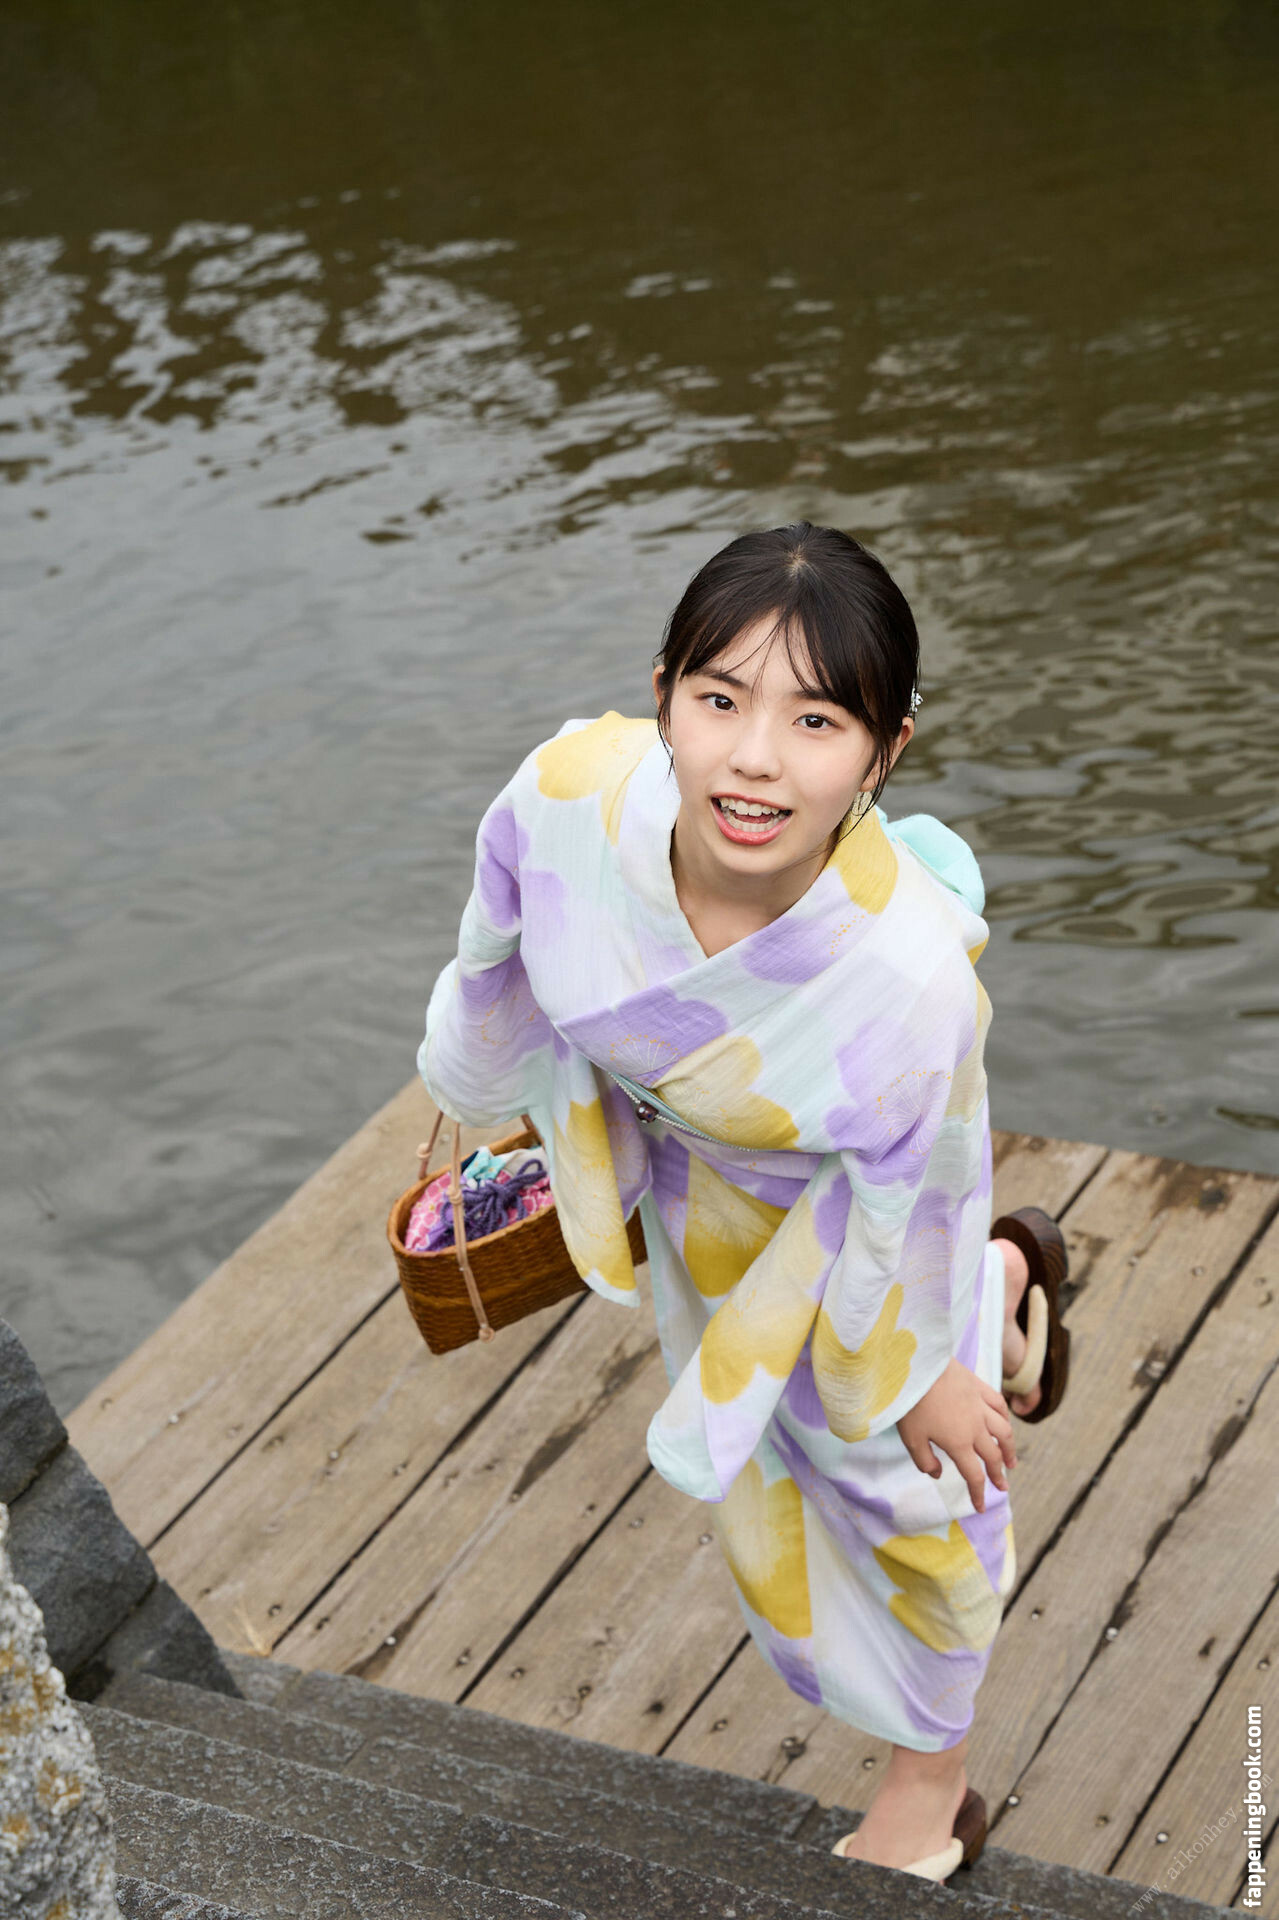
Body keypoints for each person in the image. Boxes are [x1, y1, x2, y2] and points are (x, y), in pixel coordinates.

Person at [417, 520, 1068, 1885]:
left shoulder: (906, 988)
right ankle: (1011, 1290)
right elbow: (492, 953)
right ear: (661, 693)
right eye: (720, 700)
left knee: (904, 1488)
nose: (755, 759)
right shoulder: (565, 797)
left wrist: (921, 1374)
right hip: (700, 1198)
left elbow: (923, 1185)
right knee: (780, 1452)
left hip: (860, 1222)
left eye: (817, 721)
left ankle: (934, 1784)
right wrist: (480, 1091)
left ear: (885, 752)